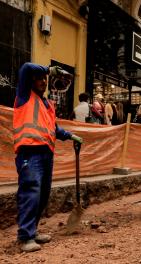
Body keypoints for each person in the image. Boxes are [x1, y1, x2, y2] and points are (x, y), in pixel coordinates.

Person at [13, 63, 83, 252]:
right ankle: (25, 237)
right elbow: (26, 67)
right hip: (29, 152)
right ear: (32, 80)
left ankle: (32, 231)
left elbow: (53, 128)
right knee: (31, 192)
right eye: (39, 78)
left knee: (42, 195)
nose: (43, 81)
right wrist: (47, 69)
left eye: (45, 78)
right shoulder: (24, 94)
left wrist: (69, 135)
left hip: (45, 153)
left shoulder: (46, 104)